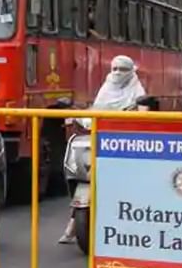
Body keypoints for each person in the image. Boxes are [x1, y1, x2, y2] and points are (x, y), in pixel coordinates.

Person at [58, 55, 145, 244]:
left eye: (122, 69)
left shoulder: (137, 90)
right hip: (100, 139)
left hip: (125, 141)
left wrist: (139, 114)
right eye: (114, 69)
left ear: (131, 72)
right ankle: (74, 224)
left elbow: (143, 113)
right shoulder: (106, 88)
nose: (117, 73)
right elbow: (95, 109)